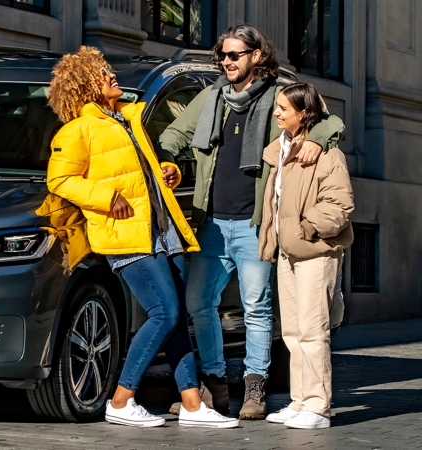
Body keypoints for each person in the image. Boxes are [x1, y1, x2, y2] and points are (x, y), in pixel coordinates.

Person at [158, 25, 345, 420]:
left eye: (235, 55)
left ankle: (255, 387)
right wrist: (168, 160)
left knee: (256, 307)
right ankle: (214, 383)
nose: (226, 62)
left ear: (256, 55)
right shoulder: (212, 97)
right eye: (222, 55)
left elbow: (328, 122)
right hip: (210, 221)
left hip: (254, 224)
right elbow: (175, 132)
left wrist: (316, 139)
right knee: (198, 302)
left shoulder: (280, 95)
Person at [46, 46, 239, 429]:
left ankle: (192, 405)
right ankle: (121, 399)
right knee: (163, 312)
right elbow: (60, 179)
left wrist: (170, 172)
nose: (111, 75)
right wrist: (106, 198)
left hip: (163, 232)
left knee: (176, 316)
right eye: (102, 72)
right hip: (126, 237)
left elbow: (146, 175)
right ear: (85, 85)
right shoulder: (78, 130)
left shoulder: (127, 121)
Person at [258, 83, 354, 429]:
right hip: (287, 253)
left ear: (304, 113)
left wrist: (305, 229)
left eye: (284, 108)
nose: (277, 112)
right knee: (294, 332)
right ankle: (300, 402)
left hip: (315, 252)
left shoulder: (327, 154)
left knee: (313, 331)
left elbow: (340, 206)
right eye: (277, 106)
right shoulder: (280, 151)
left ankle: (318, 406)